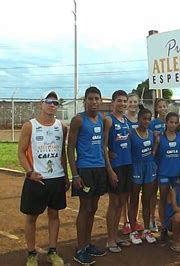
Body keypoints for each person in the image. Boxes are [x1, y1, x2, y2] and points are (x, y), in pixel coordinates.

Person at [18, 90, 69, 266]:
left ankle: (52, 251)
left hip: (56, 178)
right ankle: (31, 254)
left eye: (55, 102)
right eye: (49, 101)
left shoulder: (62, 127)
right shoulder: (30, 126)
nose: (52, 105)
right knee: (32, 217)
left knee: (54, 215)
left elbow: (62, 153)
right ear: (41, 103)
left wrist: (66, 176)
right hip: (36, 179)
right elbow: (21, 153)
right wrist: (29, 172)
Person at [68, 86, 108, 265]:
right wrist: (75, 175)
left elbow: (102, 146)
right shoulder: (78, 120)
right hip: (84, 169)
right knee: (85, 208)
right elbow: (70, 148)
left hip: (99, 169)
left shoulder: (101, 120)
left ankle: (88, 243)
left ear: (100, 101)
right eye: (90, 98)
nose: (94, 102)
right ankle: (80, 248)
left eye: (96, 98)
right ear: (85, 101)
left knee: (93, 207)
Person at [103, 90, 132, 253]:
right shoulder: (108, 120)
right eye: (119, 101)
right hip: (116, 167)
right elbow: (103, 145)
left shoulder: (126, 120)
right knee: (114, 203)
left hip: (127, 165)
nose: (122, 104)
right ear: (113, 102)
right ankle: (109, 239)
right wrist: (110, 170)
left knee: (121, 203)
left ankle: (116, 235)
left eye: (124, 101)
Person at [129, 106, 157, 245]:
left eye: (148, 119)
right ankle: (133, 231)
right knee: (134, 199)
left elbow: (154, 149)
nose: (146, 121)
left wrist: (155, 148)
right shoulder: (131, 133)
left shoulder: (152, 133)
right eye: (144, 119)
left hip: (149, 167)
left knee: (147, 199)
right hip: (136, 167)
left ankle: (146, 230)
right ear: (138, 119)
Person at [154, 112, 180, 240]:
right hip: (164, 173)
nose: (173, 124)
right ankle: (164, 227)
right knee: (164, 200)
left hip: (177, 174)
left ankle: (179, 228)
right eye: (171, 122)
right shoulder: (160, 138)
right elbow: (154, 154)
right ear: (166, 122)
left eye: (176, 122)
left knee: (178, 200)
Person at [122, 93, 143, 235]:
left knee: (137, 192)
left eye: (135, 102)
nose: (133, 104)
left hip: (139, 159)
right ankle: (126, 221)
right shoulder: (122, 119)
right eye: (130, 102)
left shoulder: (140, 119)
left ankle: (135, 219)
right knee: (126, 192)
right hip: (126, 159)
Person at [149, 98, 168, 233]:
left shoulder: (171, 122)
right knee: (152, 192)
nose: (162, 109)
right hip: (155, 160)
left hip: (167, 161)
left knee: (165, 194)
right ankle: (152, 218)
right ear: (156, 109)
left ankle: (165, 220)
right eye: (160, 107)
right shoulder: (152, 123)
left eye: (164, 106)